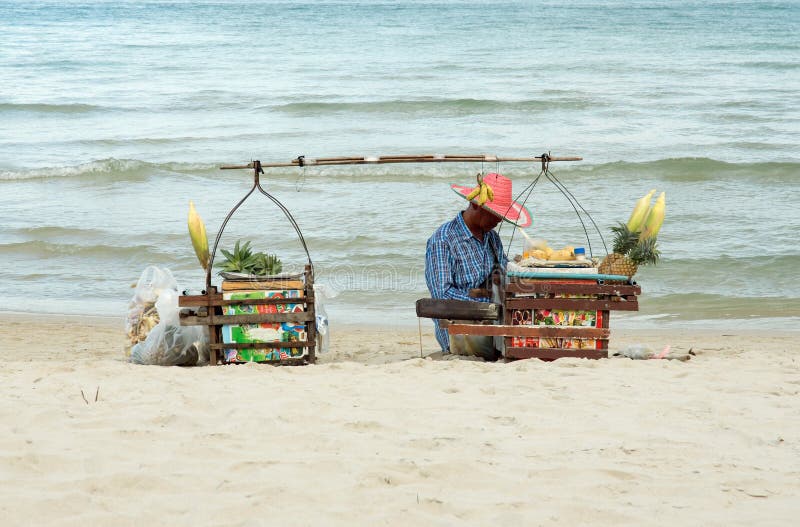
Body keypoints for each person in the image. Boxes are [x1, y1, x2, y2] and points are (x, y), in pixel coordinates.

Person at [425, 172, 532, 359]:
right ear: (475, 204)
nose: (498, 222)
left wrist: (520, 270)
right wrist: (491, 304)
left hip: (492, 329)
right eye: (495, 215)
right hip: (459, 335)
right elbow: (442, 296)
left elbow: (503, 270)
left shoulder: (491, 238)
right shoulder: (443, 240)